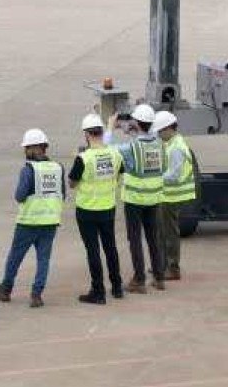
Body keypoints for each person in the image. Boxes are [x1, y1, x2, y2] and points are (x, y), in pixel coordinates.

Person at [0, 129, 65, 307]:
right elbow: (62, 193)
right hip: (50, 221)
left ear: (33, 148)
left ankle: (5, 289)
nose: (25, 152)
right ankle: (37, 295)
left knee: (15, 256)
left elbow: (20, 196)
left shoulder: (28, 170)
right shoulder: (57, 167)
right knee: (43, 259)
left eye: (26, 148)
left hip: (28, 222)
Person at [69, 112, 124, 303]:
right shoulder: (115, 154)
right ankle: (117, 287)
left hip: (87, 211)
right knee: (111, 249)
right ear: (101, 131)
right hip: (108, 208)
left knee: (93, 251)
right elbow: (119, 175)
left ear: (86, 134)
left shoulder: (83, 159)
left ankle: (98, 291)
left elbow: (72, 183)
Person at [115, 102, 167, 293]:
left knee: (135, 239)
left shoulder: (132, 148)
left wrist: (110, 127)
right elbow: (164, 167)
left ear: (136, 123)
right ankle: (159, 277)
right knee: (153, 238)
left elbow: (109, 147)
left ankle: (139, 279)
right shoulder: (160, 145)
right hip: (154, 198)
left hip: (134, 199)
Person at [156, 110, 197, 282]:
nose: (158, 134)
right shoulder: (171, 143)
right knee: (162, 232)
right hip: (167, 196)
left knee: (169, 233)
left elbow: (173, 175)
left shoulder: (176, 148)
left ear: (168, 129)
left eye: (160, 131)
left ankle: (173, 268)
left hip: (172, 196)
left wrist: (154, 177)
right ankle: (163, 265)